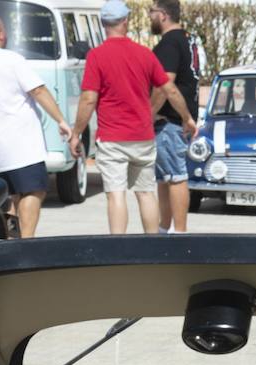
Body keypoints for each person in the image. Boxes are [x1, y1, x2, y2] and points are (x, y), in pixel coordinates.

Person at [0, 13, 74, 238]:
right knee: (34, 190)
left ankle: (9, 236)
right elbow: (38, 90)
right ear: (1, 33)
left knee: (12, 196)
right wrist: (61, 120)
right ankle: (26, 240)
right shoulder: (11, 60)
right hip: (22, 145)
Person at [69, 0, 170, 234]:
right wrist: (174, 115)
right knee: (145, 192)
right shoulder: (144, 54)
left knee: (116, 195)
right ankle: (152, 246)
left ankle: (118, 250)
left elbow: (88, 99)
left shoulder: (97, 56)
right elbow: (167, 88)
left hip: (113, 137)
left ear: (103, 24)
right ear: (125, 21)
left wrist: (76, 133)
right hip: (143, 136)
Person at [149, 0, 199, 234]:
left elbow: (163, 85)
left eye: (152, 11)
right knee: (165, 177)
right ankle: (164, 228)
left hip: (170, 121)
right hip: (177, 120)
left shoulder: (170, 43)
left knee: (176, 177)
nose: (150, 15)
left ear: (163, 15)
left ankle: (179, 233)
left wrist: (147, 116)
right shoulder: (188, 40)